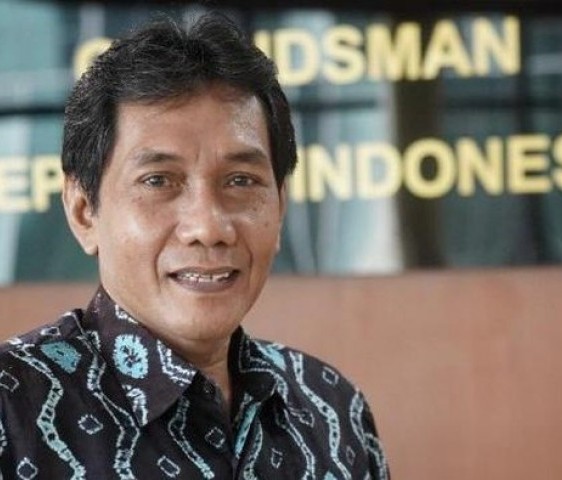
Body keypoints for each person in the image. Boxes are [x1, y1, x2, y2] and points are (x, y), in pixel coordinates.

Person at [0, 10, 390, 479]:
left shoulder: (333, 412)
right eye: (158, 180)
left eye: (241, 180)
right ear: (84, 210)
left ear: (281, 204)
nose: (208, 227)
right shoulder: (13, 410)